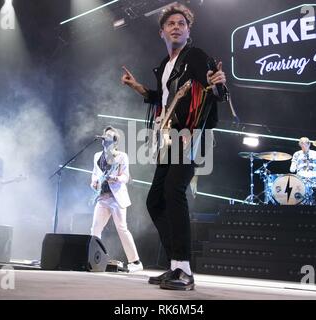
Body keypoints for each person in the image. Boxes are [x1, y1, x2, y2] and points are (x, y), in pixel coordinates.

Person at [121, 3, 226, 290]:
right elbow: (166, 99)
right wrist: (138, 88)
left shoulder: (195, 56)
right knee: (155, 201)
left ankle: (184, 270)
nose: (176, 27)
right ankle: (175, 265)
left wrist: (219, 84)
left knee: (173, 190)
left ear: (188, 30)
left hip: (191, 133)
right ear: (162, 32)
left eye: (182, 23)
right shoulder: (165, 66)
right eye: (171, 24)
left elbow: (212, 90)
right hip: (170, 136)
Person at [90, 126, 143, 273]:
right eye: (104, 136)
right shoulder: (96, 156)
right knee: (95, 228)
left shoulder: (121, 156)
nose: (105, 139)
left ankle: (135, 262)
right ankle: (94, 258)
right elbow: (94, 173)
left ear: (115, 141)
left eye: (109, 137)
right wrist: (94, 182)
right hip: (102, 197)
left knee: (121, 228)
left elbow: (126, 177)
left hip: (116, 198)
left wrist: (115, 178)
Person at [290, 137, 316, 204]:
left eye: (306, 143)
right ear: (299, 144)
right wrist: (293, 166)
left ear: (309, 144)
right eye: (302, 143)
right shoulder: (297, 154)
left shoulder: (315, 153)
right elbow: (292, 169)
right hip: (301, 178)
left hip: (315, 178)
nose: (304, 145)